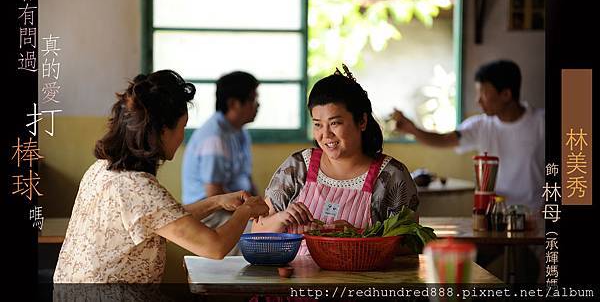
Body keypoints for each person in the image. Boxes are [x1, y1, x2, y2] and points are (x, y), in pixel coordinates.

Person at [53, 70, 268, 283]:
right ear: (163, 130)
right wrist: (246, 210)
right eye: (183, 126)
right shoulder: (138, 187)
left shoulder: (103, 168)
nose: (183, 136)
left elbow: (163, 217)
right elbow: (215, 247)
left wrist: (217, 201)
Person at [252, 65, 419, 255]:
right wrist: (281, 218)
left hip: (362, 283)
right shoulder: (297, 167)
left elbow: (411, 246)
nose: (325, 135)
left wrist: (358, 236)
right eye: (318, 125)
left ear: (362, 121)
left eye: (335, 123)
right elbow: (257, 233)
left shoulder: (391, 176)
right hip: (298, 282)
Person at [392, 60, 545, 213]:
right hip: (496, 214)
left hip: (537, 215)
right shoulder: (480, 125)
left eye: (483, 94)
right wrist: (413, 130)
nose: (478, 100)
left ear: (506, 94)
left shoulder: (542, 122)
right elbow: (444, 140)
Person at [182, 71, 259, 235]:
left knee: (272, 225)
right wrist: (251, 214)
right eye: (252, 99)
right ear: (233, 104)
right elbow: (214, 194)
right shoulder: (214, 138)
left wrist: (263, 206)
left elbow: (247, 177)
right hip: (210, 214)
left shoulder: (239, 131)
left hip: (235, 208)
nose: (257, 105)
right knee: (263, 235)